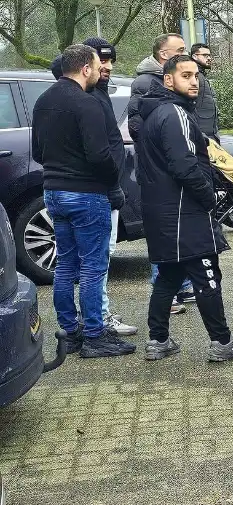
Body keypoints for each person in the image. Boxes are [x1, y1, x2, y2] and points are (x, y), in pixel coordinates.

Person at [137, 54, 233, 361]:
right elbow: (185, 165)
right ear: (168, 80)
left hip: (163, 212)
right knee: (207, 275)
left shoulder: (156, 113)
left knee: (170, 275)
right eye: (186, 75)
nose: (194, 81)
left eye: (196, 76)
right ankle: (222, 343)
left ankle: (158, 340)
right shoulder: (173, 113)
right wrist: (209, 198)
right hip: (182, 212)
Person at [33, 44, 133, 358]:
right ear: (86, 69)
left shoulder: (43, 101)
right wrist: (111, 179)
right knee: (93, 267)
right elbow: (100, 155)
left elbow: (38, 153)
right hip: (88, 194)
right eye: (96, 66)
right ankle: (94, 335)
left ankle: (69, 332)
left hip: (53, 192)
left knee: (65, 265)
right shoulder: (87, 103)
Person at [129, 33, 194, 313]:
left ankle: (183, 286)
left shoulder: (180, 84)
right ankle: (164, 292)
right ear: (164, 56)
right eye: (180, 49)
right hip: (159, 174)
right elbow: (137, 126)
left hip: (172, 169)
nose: (185, 52)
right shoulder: (145, 83)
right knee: (163, 234)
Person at [77, 38, 137, 337]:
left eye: (112, 60)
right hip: (96, 191)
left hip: (98, 189)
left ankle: (88, 318)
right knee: (97, 258)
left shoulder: (97, 93)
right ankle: (97, 319)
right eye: (103, 60)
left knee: (87, 259)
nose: (108, 67)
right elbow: (97, 150)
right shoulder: (86, 97)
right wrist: (110, 184)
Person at [189, 43, 220, 141]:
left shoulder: (201, 76)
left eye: (209, 55)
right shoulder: (193, 76)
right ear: (194, 56)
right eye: (205, 55)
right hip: (201, 136)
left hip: (209, 134)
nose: (209, 58)